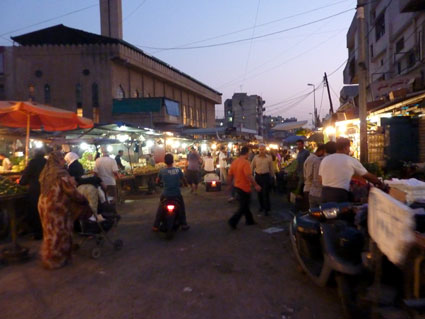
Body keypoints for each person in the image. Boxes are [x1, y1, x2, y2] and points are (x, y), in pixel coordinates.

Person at [38, 151, 91, 269]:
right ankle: (56, 259)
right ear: (57, 160)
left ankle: (48, 257)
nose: (64, 162)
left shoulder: (45, 172)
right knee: (59, 233)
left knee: (49, 232)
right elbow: (70, 191)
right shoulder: (61, 173)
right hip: (56, 206)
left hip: (43, 204)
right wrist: (82, 199)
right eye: (62, 159)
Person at [319, 137, 382, 203]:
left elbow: (320, 180)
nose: (349, 150)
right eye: (349, 148)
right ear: (345, 148)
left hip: (324, 194)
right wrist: (380, 183)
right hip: (340, 195)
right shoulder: (350, 160)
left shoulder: (325, 160)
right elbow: (367, 176)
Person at [153, 154, 190, 231]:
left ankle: (155, 225)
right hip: (176, 194)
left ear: (164, 161)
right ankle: (184, 224)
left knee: (160, 208)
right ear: (173, 161)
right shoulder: (178, 170)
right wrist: (186, 185)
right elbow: (184, 179)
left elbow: (157, 181)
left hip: (166, 194)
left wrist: (158, 182)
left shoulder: (162, 171)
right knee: (181, 208)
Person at [228, 146, 262, 229]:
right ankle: (233, 221)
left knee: (245, 205)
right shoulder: (245, 162)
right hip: (244, 187)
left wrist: (229, 185)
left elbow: (230, 175)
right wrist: (256, 185)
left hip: (237, 186)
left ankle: (249, 220)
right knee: (243, 206)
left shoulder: (235, 162)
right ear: (247, 153)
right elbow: (249, 176)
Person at [19, 148, 46, 239]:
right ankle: (45, 231)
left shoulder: (33, 162)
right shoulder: (47, 162)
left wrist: (22, 182)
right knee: (44, 211)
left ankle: (38, 234)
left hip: (35, 190)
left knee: (35, 211)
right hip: (46, 190)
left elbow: (25, 177)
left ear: (35, 154)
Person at [251, 144, 274, 216]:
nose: (261, 151)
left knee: (266, 193)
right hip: (258, 177)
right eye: (260, 149)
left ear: (265, 150)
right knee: (259, 193)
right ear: (258, 150)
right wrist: (250, 176)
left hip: (266, 176)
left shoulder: (269, 158)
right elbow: (251, 167)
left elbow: (271, 168)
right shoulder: (255, 158)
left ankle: (266, 209)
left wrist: (272, 177)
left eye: (262, 149)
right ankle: (261, 206)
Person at [303, 144, 326, 209]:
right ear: (321, 151)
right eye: (325, 153)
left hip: (311, 190)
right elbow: (309, 175)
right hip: (310, 189)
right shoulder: (313, 159)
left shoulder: (313, 158)